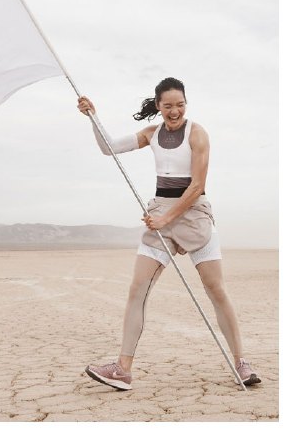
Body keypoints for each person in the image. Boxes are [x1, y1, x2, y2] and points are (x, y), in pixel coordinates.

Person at [78, 77, 258, 390]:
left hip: (194, 215)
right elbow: (109, 148)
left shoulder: (197, 133)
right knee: (138, 288)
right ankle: (122, 369)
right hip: (160, 212)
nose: (174, 111)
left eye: (180, 105)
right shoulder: (152, 134)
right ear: (158, 106)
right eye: (168, 105)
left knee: (215, 289)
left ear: (185, 104)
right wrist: (93, 116)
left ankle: (241, 363)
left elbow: (197, 185)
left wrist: (167, 220)